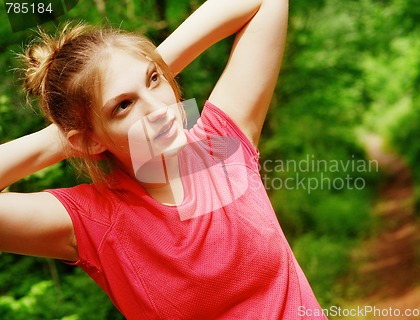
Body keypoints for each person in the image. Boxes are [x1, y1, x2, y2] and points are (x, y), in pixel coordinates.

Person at [0, 0, 326, 318]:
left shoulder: (222, 142)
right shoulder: (94, 220)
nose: (159, 111)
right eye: (123, 106)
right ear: (87, 141)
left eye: (154, 80)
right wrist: (67, 136)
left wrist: (136, 61)